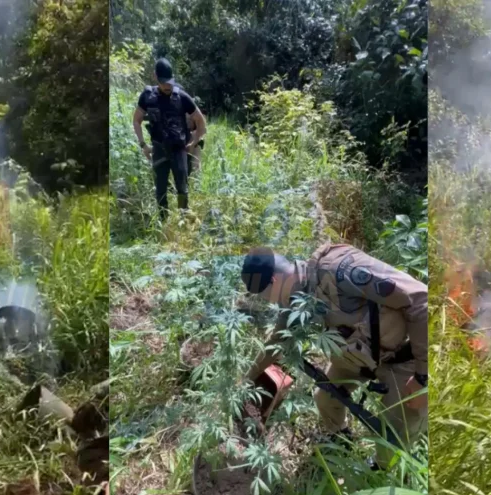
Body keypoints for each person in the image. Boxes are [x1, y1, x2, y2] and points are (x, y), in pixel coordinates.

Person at [240, 243, 428, 468]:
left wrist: (422, 378)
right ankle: (343, 439)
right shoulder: (297, 296)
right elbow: (276, 343)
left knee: (395, 435)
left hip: (408, 359)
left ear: (274, 281)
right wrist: (246, 379)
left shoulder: (339, 269)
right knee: (326, 398)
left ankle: (381, 472)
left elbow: (421, 300)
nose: (269, 302)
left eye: (265, 297)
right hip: (362, 357)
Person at [133, 58, 207, 220]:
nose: (167, 85)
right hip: (158, 148)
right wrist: (143, 145)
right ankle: (163, 222)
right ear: (155, 77)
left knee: (182, 188)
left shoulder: (181, 97)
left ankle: (182, 221)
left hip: (179, 149)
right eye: (163, 82)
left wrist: (193, 143)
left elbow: (201, 122)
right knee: (160, 190)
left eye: (170, 81)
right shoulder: (147, 96)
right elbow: (136, 120)